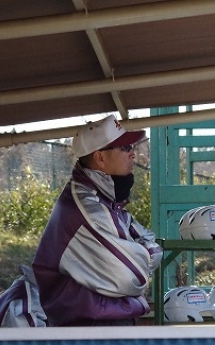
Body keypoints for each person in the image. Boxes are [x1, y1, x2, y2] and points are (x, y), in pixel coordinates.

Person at [32, 115, 163, 326]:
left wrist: (141, 252)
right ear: (100, 157)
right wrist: (142, 252)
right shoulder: (88, 208)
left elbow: (152, 247)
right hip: (91, 328)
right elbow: (134, 275)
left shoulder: (106, 199)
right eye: (125, 147)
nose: (133, 154)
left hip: (103, 322)